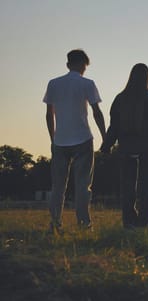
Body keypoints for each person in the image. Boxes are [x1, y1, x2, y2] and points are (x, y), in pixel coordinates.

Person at [100, 63, 148, 229]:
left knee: (128, 187)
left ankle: (129, 222)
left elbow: (113, 127)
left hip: (126, 148)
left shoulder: (120, 99)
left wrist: (106, 146)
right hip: (147, 149)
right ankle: (145, 223)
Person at [43, 49, 106, 234]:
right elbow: (96, 112)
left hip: (60, 140)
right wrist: (105, 136)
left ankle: (55, 223)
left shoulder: (53, 84)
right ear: (82, 65)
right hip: (83, 139)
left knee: (58, 186)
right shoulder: (87, 84)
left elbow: (49, 114)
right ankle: (84, 224)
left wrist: (52, 138)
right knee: (83, 185)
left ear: (68, 64)